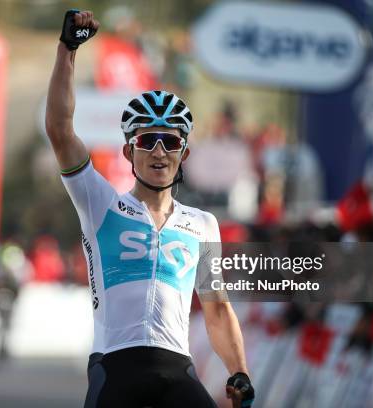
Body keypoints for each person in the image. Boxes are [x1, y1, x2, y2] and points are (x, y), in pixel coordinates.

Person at [45, 10, 254, 408]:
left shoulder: (203, 224)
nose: (159, 151)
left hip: (178, 371)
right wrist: (67, 49)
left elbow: (217, 310)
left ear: (184, 154)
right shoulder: (100, 203)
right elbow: (59, 128)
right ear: (129, 151)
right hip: (115, 367)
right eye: (148, 141)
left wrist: (239, 370)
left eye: (170, 142)